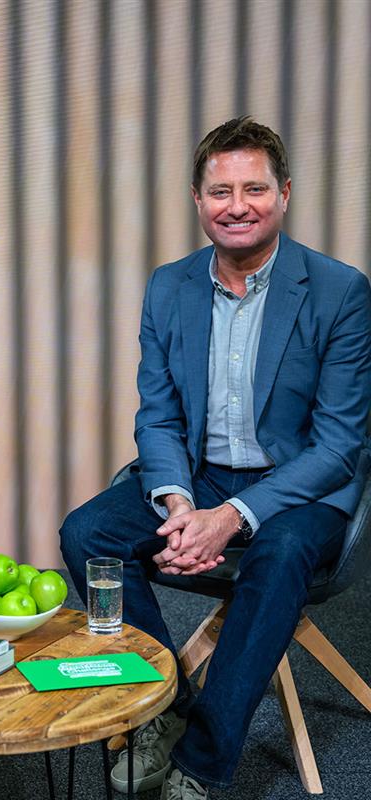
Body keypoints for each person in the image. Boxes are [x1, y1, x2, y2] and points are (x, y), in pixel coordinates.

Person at [60, 117, 371, 800]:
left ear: (284, 194)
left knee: (280, 554)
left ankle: (200, 764)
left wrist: (230, 518)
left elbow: (340, 445)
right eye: (221, 190)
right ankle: (162, 706)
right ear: (198, 201)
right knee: (87, 533)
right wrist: (178, 505)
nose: (238, 206)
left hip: (300, 488)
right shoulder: (170, 287)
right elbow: (159, 415)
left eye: (254, 189)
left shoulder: (339, 290)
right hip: (199, 472)